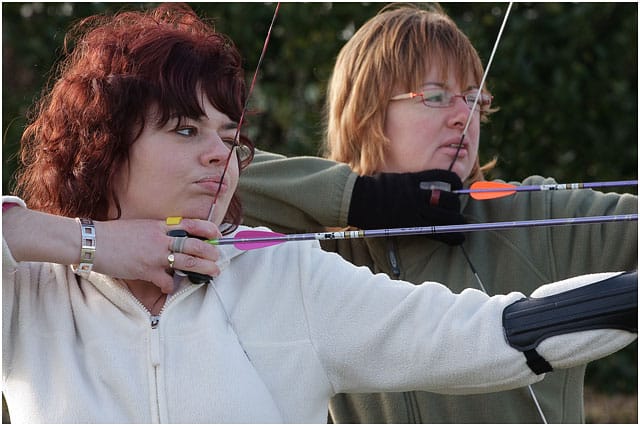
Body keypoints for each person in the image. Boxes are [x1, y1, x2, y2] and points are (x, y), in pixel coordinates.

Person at [2, 3, 636, 424]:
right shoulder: (31, 289)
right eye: (184, 129)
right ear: (104, 145)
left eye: (229, 137)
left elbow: (491, 334)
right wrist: (92, 245)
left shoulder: (287, 279)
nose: (219, 157)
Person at [237, 3, 639, 424]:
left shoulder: (529, 215)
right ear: (365, 113)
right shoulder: (318, 248)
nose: (462, 115)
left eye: (472, 98)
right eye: (435, 96)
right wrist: (362, 199)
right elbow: (188, 178)